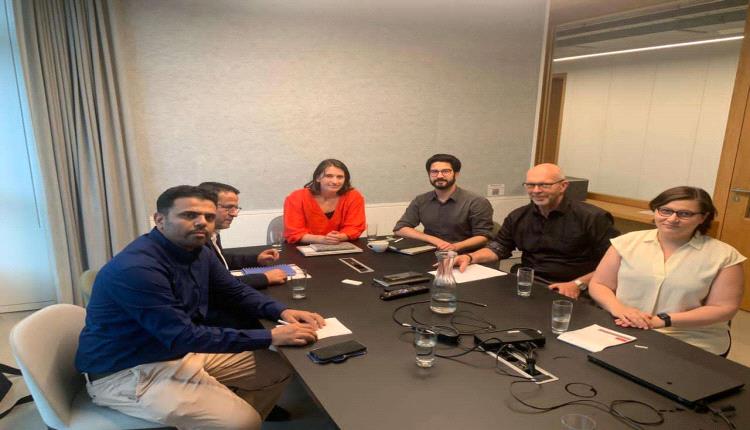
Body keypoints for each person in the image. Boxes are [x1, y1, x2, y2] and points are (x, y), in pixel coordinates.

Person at [75, 185, 325, 429]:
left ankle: (223, 416)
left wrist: (281, 311)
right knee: (243, 421)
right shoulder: (139, 268)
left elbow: (234, 291)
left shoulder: (197, 251)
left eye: (208, 217)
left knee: (279, 368)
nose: (202, 222)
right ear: (160, 220)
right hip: (128, 371)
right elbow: (182, 336)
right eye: (189, 215)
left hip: (174, 354)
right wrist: (270, 336)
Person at [589, 186, 745, 355]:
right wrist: (619, 310)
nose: (672, 219)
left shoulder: (724, 256)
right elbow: (600, 284)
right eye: (665, 211)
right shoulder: (626, 242)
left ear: (703, 217)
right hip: (624, 325)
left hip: (689, 337)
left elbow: (723, 308)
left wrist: (662, 320)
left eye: (685, 214)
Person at [454, 163, 618, 299]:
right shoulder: (518, 216)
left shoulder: (593, 217)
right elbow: (499, 247)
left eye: (545, 185)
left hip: (576, 288)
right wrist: (469, 257)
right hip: (530, 284)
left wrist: (578, 284)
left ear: (563, 186)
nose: (536, 190)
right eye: (531, 185)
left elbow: (617, 263)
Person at [393, 154, 494, 252]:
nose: (439, 176)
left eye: (445, 171)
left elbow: (484, 236)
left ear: (456, 174)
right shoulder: (421, 200)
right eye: (434, 172)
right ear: (429, 174)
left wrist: (454, 247)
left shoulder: (477, 202)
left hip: (465, 255)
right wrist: (435, 240)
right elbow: (400, 228)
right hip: (431, 252)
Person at [198, 181, 286, 289]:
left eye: (235, 208)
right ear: (207, 206)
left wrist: (256, 259)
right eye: (229, 207)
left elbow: (221, 261)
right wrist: (265, 278)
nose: (234, 214)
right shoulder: (197, 241)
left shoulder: (213, 232)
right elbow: (216, 284)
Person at [283, 159, 366, 244]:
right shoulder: (296, 197)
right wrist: (321, 239)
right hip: (303, 247)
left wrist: (339, 237)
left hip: (339, 245)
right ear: (318, 178)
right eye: (329, 176)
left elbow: (355, 227)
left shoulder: (353, 196)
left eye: (340, 177)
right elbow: (294, 233)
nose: (335, 181)